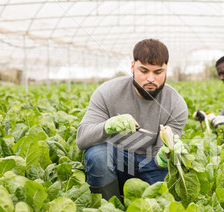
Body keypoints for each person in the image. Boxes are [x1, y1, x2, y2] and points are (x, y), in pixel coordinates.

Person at [77, 39, 188, 200]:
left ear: (166, 71)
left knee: (168, 203)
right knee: (97, 154)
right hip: (117, 161)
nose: (151, 78)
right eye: (144, 70)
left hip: (151, 163)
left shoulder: (176, 104)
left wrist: (163, 157)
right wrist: (107, 126)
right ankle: (106, 208)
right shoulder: (107, 92)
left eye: (158, 72)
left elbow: (159, 154)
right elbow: (82, 139)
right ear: (132, 67)